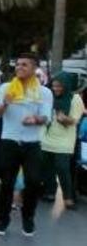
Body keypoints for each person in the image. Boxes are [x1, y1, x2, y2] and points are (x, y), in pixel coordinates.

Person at [0, 53, 53, 237]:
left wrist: (35, 119)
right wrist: (5, 103)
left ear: (34, 69)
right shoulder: (6, 88)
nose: (19, 68)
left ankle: (28, 218)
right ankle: (2, 220)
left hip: (32, 143)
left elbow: (46, 117)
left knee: (33, 181)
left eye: (25, 65)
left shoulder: (44, 92)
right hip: (9, 141)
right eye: (17, 64)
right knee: (7, 183)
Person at [41, 72, 84, 209]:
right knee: (47, 167)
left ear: (66, 86)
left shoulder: (75, 98)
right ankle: (50, 192)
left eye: (59, 86)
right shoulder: (50, 96)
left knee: (62, 167)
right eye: (54, 86)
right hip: (47, 136)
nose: (56, 89)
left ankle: (68, 197)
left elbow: (76, 120)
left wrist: (65, 119)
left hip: (64, 139)